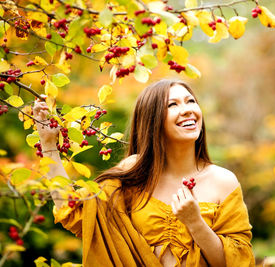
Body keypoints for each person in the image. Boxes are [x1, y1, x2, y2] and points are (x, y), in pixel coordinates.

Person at [33, 79, 255, 267]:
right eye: (173, 104)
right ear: (152, 118)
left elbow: (236, 262)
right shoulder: (132, 172)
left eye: (191, 101)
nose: (187, 109)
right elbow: (75, 213)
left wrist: (195, 222)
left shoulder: (223, 181)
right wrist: (48, 143)